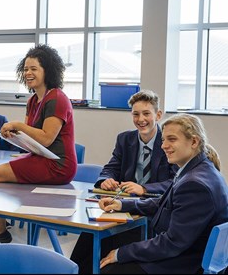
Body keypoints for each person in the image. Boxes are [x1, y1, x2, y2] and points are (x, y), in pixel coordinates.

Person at [73, 113, 228, 274]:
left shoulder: (195, 184)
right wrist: (122, 204)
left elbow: (171, 243)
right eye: (163, 140)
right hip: (186, 252)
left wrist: (121, 253)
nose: (164, 146)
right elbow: (163, 203)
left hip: (185, 263)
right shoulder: (197, 170)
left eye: (172, 139)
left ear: (194, 141)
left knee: (108, 267)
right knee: (91, 240)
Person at [0, 44, 78, 243]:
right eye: (26, 69)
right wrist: (15, 134)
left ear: (47, 71)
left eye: (34, 68)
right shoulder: (33, 101)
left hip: (59, 164)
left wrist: (18, 125)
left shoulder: (57, 98)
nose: (28, 73)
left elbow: (46, 138)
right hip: (42, 158)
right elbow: (32, 139)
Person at [94, 90, 177, 196]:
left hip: (156, 202)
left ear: (158, 115)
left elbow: (175, 181)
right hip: (126, 199)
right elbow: (112, 168)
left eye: (146, 113)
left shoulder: (169, 143)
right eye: (136, 114)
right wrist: (106, 180)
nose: (141, 119)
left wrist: (144, 188)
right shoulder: (124, 139)